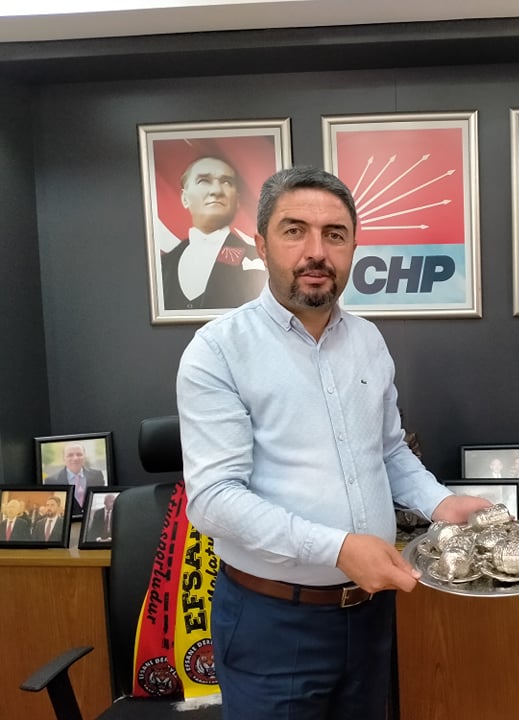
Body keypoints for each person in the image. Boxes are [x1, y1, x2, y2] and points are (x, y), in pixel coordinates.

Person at [177, 166, 489, 719]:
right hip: (272, 622)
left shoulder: (368, 341)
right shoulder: (218, 350)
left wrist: (441, 503)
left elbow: (389, 452)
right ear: (261, 244)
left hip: (369, 614)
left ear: (352, 248)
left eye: (335, 234)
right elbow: (214, 500)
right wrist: (339, 549)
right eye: (294, 230)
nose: (316, 252)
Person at [161, 155, 266, 311]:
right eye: (203, 181)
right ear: (184, 198)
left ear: (237, 201)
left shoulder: (257, 259)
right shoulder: (164, 264)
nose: (217, 191)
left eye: (226, 182)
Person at [51, 442, 104, 511]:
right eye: (70, 455)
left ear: (84, 457)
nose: (75, 458)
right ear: (64, 459)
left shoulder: (97, 475)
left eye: (79, 454)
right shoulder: (52, 481)